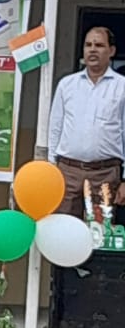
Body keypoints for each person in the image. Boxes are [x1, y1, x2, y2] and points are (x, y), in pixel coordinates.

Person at [48, 26, 125, 218]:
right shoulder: (67, 85)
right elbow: (55, 128)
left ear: (111, 51)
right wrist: (51, 167)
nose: (92, 50)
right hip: (67, 172)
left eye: (99, 45)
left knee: (99, 229)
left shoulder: (122, 86)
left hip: (105, 173)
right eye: (88, 45)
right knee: (63, 226)